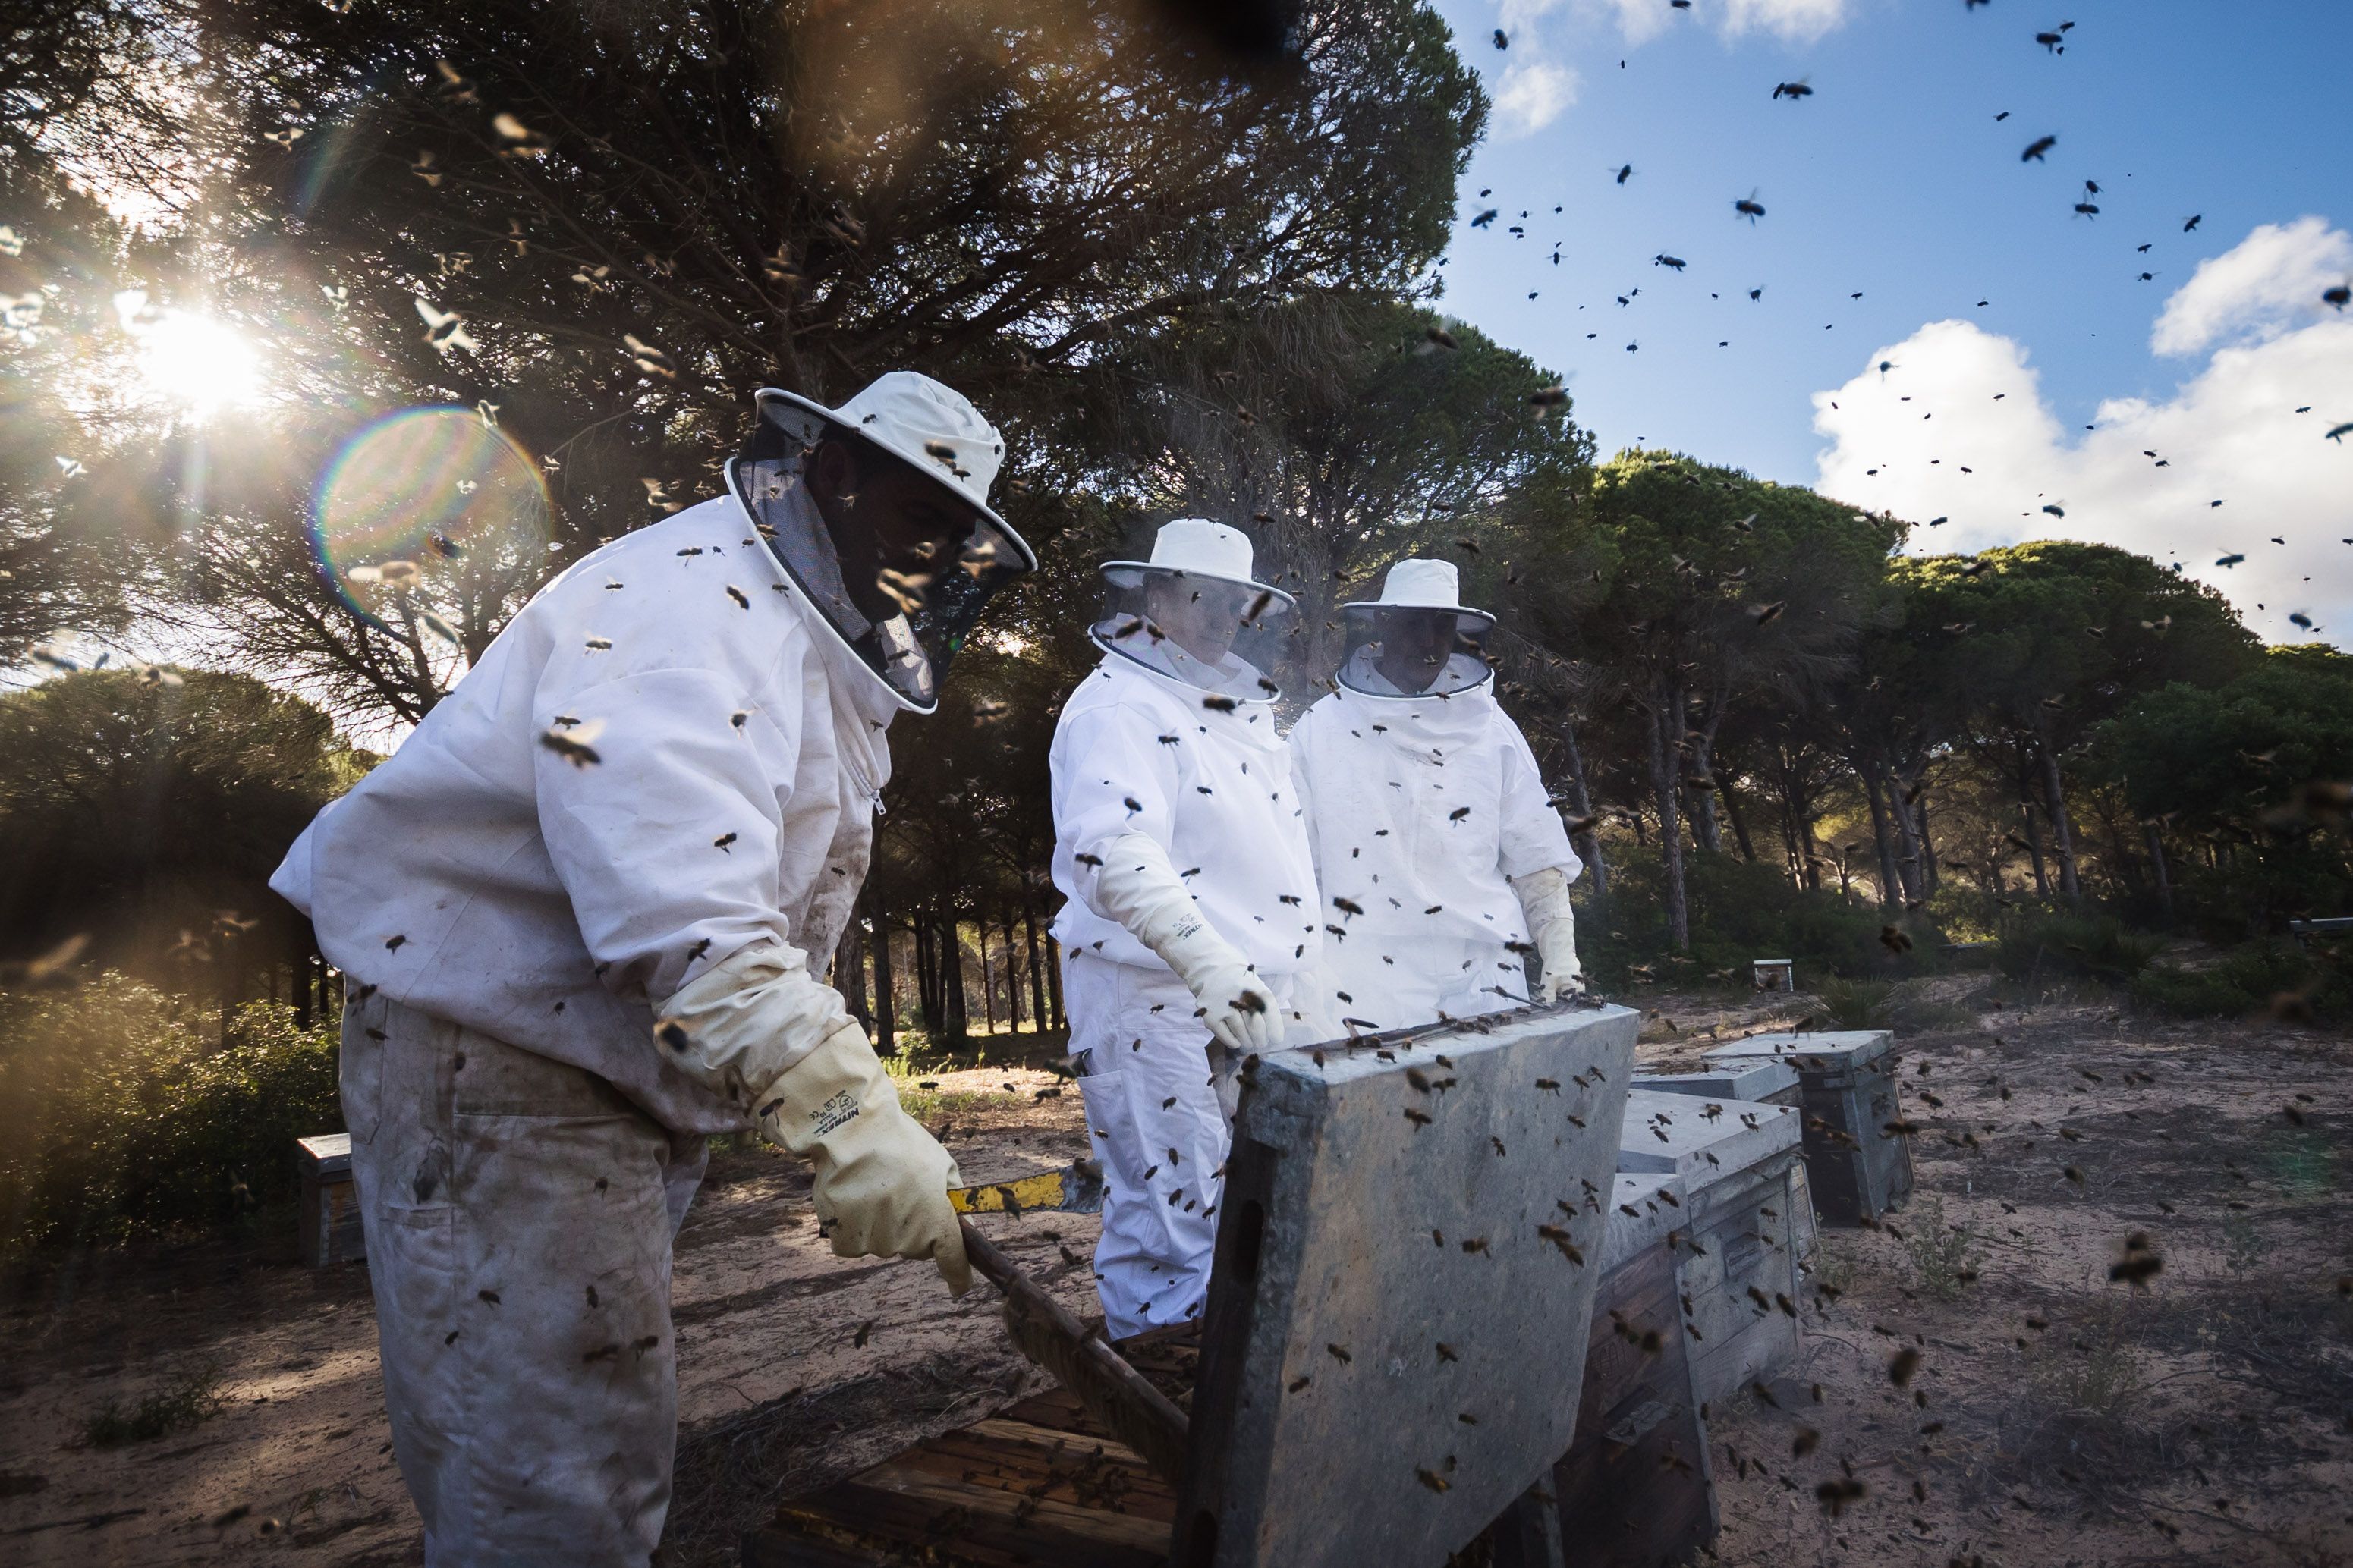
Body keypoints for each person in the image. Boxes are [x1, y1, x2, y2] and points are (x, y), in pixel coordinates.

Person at [269, 371, 1035, 1565]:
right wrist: (843, 1107)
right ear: (832, 471)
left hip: (599, 1065)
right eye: (915, 515)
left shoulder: (789, 626)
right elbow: (680, 901)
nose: (929, 557)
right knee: (549, 1493)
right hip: (507, 1060)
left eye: (951, 534)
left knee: (590, 1455)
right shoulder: (688, 605)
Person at [1047, 518, 1329, 1339]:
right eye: (1199, 595)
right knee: (1173, 1208)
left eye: (1233, 601)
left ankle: (1240, 1399)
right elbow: (1113, 849)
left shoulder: (1249, 718)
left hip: (1255, 996)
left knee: (1268, 1200)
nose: (1217, 616)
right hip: (1148, 995)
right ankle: (1165, 1383)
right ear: (1157, 597)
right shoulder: (1116, 705)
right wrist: (1208, 963)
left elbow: (1280, 867)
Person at [1289, 558, 1583, 1032]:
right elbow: (1295, 864)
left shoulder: (1492, 728)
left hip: (1485, 969)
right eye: (1413, 623)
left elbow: (1536, 852)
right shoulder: (1321, 729)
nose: (1429, 641)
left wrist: (1561, 957)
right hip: (1368, 971)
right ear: (1383, 623)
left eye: (1442, 625)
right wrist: (1302, 970)